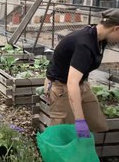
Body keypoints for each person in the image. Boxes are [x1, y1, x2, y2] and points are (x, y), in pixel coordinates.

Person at [45, 8, 119, 138]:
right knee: (63, 133)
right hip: (61, 87)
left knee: (97, 123)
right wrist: (79, 121)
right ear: (116, 29)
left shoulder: (100, 37)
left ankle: (84, 149)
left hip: (81, 84)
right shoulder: (85, 44)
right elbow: (72, 82)